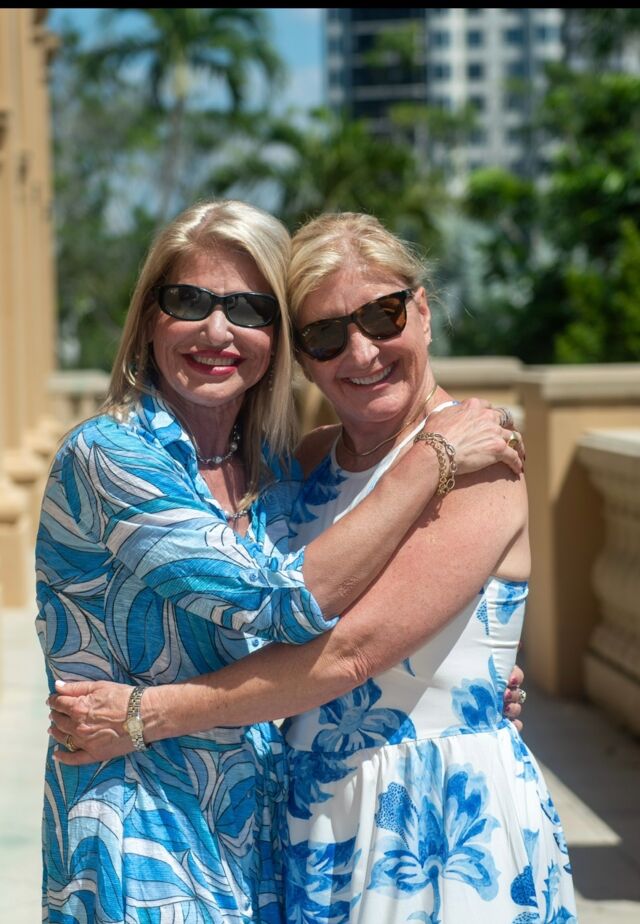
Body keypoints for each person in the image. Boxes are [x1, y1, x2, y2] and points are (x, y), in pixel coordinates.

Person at [38, 200, 525, 924]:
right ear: (147, 319)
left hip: (310, 835)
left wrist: (468, 678)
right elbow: (280, 601)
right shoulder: (112, 456)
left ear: (422, 312)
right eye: (189, 301)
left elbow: (361, 645)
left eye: (248, 309)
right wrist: (432, 458)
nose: (217, 330)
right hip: (146, 831)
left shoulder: (275, 471)